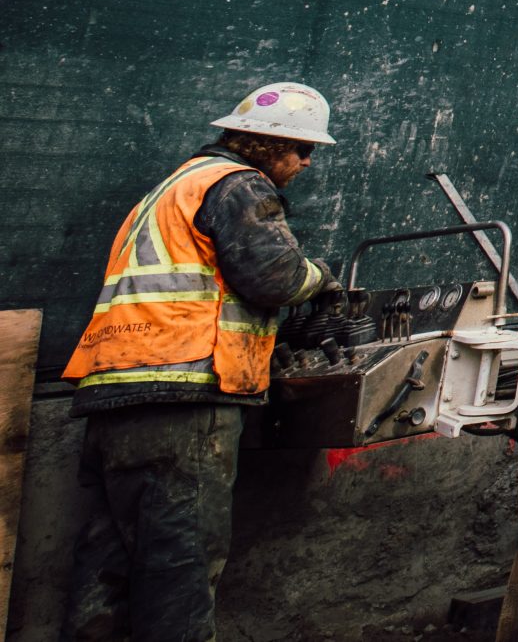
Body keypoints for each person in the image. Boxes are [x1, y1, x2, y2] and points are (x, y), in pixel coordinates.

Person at [60, 82, 340, 642]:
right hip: (183, 397)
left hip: (115, 395)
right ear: (268, 144)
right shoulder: (237, 184)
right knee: (180, 567)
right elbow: (275, 276)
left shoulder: (172, 188)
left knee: (110, 563)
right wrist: (323, 280)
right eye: (303, 149)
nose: (307, 162)